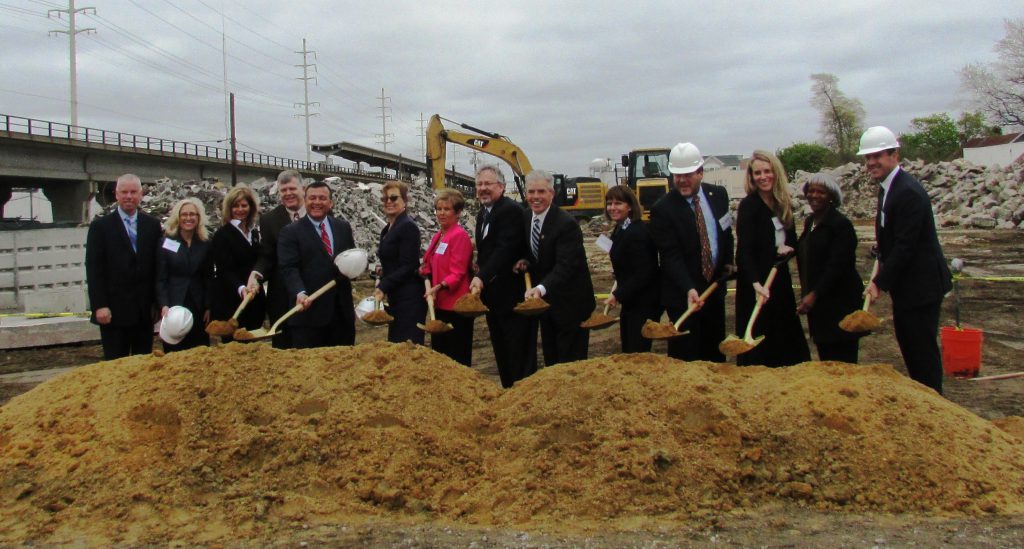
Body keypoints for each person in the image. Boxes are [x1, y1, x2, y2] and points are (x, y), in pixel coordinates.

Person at [860, 126, 952, 394]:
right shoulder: (888, 187)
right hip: (909, 286)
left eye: (878, 156)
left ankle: (934, 403)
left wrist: (879, 282)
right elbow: (894, 233)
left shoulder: (907, 192)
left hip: (921, 287)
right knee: (910, 345)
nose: (871, 163)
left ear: (894, 154)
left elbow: (906, 247)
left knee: (920, 351)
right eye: (868, 158)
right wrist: (882, 247)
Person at [649, 142, 734, 362]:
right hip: (682, 295)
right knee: (685, 356)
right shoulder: (662, 209)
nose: (682, 181)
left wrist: (728, 262)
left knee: (714, 353)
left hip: (714, 290)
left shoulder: (719, 195)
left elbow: (726, 234)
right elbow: (670, 256)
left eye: (687, 175)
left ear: (700, 172)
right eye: (677, 175)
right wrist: (688, 288)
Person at [735, 150, 811, 367]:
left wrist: (788, 249)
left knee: (785, 339)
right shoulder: (749, 206)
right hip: (756, 286)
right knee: (760, 345)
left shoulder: (781, 204)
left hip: (779, 281)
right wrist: (756, 284)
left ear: (776, 173)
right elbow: (744, 251)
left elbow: (793, 240)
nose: (763, 177)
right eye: (757, 173)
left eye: (767, 171)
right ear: (751, 177)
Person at [515, 170, 595, 366]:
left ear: (552, 193)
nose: (535, 197)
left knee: (570, 363)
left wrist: (540, 289)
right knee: (552, 361)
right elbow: (538, 252)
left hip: (571, 305)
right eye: (531, 192)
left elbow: (565, 266)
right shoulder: (526, 218)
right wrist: (525, 260)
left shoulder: (566, 224)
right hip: (547, 306)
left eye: (541, 191)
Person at [468, 165, 535, 388]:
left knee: (517, 350)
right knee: (501, 348)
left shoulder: (509, 210)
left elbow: (505, 249)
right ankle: (508, 391)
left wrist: (483, 276)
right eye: (479, 184)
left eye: (488, 184)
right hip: (494, 297)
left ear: (502, 187)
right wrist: (480, 265)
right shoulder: (483, 214)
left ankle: (522, 395)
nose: (483, 188)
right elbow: (490, 249)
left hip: (511, 295)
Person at [85, 173, 162, 359]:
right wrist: (99, 305)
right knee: (115, 366)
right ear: (116, 195)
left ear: (141, 194)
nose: (129, 196)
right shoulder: (100, 227)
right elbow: (94, 269)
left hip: (143, 313)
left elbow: (158, 267)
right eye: (124, 192)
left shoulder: (152, 225)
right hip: (113, 313)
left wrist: (158, 304)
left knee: (143, 366)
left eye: (133, 192)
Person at [277, 181, 357, 348]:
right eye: (312, 198)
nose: (317, 202)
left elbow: (350, 258)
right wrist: (299, 292)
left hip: (341, 316)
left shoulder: (342, 227)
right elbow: (289, 268)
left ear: (330, 203)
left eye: (322, 198)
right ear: (305, 201)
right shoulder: (290, 232)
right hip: (309, 318)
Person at [795, 173, 864, 363]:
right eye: (811, 191)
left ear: (831, 196)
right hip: (819, 307)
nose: (814, 195)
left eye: (821, 192)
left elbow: (837, 266)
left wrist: (814, 294)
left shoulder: (841, 226)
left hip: (839, 304)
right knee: (826, 357)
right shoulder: (810, 223)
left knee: (842, 358)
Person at [247, 170, 305, 349]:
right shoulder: (269, 220)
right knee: (283, 349)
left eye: (292, 188)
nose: (288, 194)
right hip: (281, 297)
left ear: (303, 189)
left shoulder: (318, 212)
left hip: (313, 293)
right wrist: (256, 274)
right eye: (283, 190)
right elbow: (267, 255)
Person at [603, 185, 661, 353]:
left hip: (643, 304)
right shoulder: (620, 229)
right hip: (631, 302)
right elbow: (626, 267)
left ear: (630, 206)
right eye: (609, 203)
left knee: (637, 352)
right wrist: (616, 288)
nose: (612, 208)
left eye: (618, 203)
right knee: (628, 349)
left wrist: (617, 295)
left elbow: (644, 272)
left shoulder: (637, 232)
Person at [421, 189, 474, 365]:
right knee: (440, 355)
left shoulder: (459, 236)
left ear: (457, 212)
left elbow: (458, 272)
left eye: (447, 209)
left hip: (455, 307)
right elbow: (428, 262)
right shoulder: (439, 236)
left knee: (456, 355)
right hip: (439, 304)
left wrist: (440, 286)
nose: (441, 213)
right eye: (438, 209)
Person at [156, 197, 213, 352]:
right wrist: (163, 304)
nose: (188, 218)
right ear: (178, 217)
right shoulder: (167, 242)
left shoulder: (205, 243)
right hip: (174, 305)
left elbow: (208, 276)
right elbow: (161, 277)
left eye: (192, 214)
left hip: (198, 305)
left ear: (198, 217)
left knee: (199, 350)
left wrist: (208, 306)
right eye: (184, 214)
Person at [211, 185, 266, 342]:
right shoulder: (222, 235)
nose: (240, 210)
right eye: (236, 206)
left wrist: (256, 282)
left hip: (254, 298)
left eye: (244, 205)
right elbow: (224, 269)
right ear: (229, 208)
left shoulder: (254, 233)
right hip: (233, 300)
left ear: (251, 207)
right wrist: (241, 288)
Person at [374, 180, 426, 345]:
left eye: (394, 198)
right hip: (397, 296)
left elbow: (409, 265)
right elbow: (395, 260)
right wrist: (383, 271)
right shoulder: (388, 228)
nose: (389, 202)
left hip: (409, 299)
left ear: (405, 201)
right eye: (385, 199)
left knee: (407, 348)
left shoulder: (408, 227)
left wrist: (383, 285)